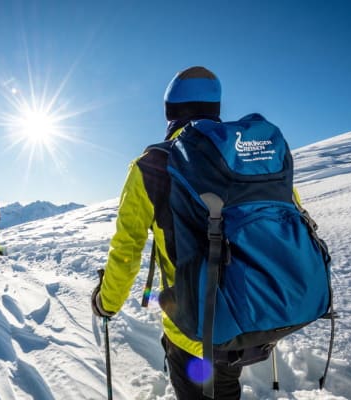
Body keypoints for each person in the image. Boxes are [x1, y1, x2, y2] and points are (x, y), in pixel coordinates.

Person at [91, 67, 243, 399]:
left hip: (192, 326)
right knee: (226, 387)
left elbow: (127, 249)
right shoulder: (247, 155)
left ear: (169, 112)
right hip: (251, 310)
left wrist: (106, 302)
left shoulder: (153, 165)